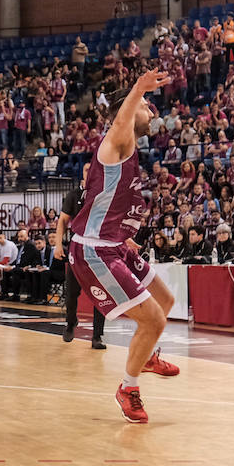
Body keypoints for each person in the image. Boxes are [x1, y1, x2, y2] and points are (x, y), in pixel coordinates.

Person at [69, 67, 181, 425]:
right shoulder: (116, 139)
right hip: (94, 250)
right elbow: (122, 118)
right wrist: (138, 89)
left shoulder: (126, 146)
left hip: (114, 243)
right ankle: (128, 388)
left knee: (165, 301)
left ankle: (147, 356)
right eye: (148, 106)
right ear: (130, 111)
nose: (154, 113)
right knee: (153, 319)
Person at [55, 163, 106, 348]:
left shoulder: (103, 195)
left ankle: (97, 336)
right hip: (77, 248)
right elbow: (62, 220)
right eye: (86, 170)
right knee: (71, 293)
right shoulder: (74, 194)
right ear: (82, 174)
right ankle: (70, 322)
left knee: (100, 294)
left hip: (99, 249)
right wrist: (58, 244)